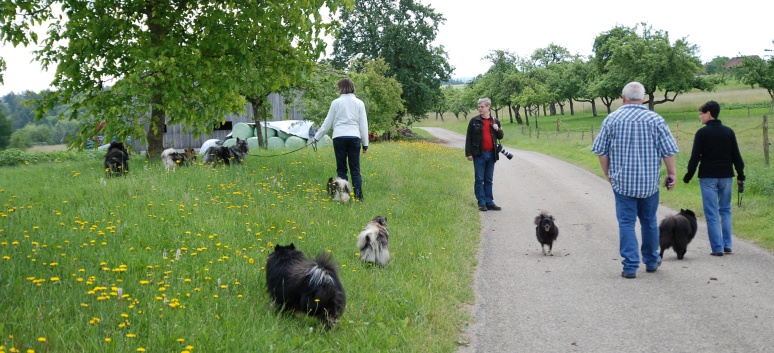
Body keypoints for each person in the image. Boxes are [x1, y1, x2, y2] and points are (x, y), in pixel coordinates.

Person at [591, 82, 679, 279]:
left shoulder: (612, 119)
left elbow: (602, 152)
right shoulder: (655, 119)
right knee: (648, 221)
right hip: (649, 182)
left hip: (622, 182)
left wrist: (608, 174)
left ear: (623, 98)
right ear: (644, 97)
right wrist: (671, 173)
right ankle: (650, 260)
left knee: (626, 223)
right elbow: (668, 150)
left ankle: (630, 266)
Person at [683, 100, 745, 256]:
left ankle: (717, 248)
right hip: (726, 176)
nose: (700, 116)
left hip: (708, 177)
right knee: (725, 210)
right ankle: (727, 245)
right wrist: (740, 175)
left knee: (711, 212)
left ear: (709, 114)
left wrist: (688, 176)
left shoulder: (702, 133)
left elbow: (695, 158)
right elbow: (736, 156)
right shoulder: (728, 132)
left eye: (701, 113)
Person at [311, 78, 369, 201]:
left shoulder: (336, 103)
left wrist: (316, 137)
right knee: (355, 170)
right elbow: (363, 125)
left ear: (341, 88)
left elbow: (327, 123)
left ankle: (344, 197)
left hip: (339, 137)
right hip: (354, 137)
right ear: (352, 87)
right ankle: (359, 197)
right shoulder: (359, 103)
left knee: (342, 169)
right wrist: (365, 144)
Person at [465, 97, 504, 211]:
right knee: (479, 179)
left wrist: (497, 129)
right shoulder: (474, 121)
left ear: (488, 107)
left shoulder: (495, 121)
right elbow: (469, 138)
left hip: (492, 154)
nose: (479, 109)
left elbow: (501, 136)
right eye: (479, 107)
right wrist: (468, 153)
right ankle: (481, 202)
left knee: (488, 179)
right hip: (479, 155)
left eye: (482, 107)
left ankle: (489, 202)